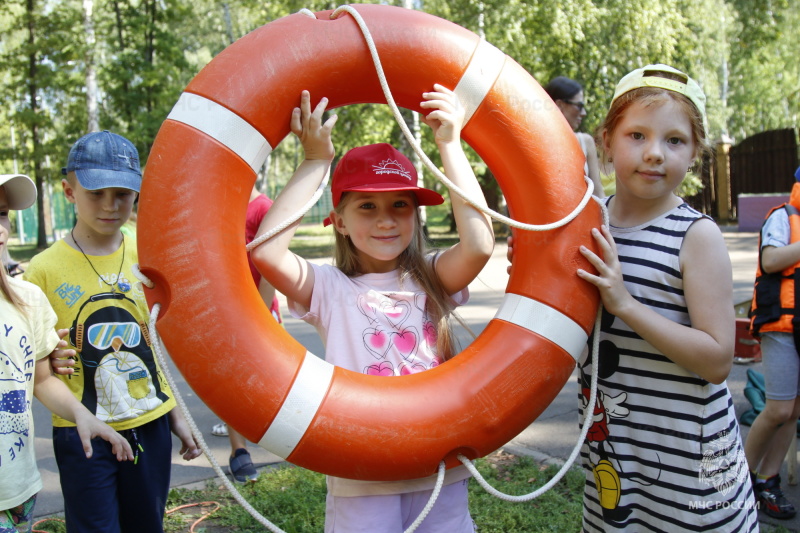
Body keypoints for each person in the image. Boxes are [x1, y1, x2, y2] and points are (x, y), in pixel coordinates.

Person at [251, 86, 493, 532]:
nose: (385, 219)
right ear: (339, 221)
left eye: (400, 205)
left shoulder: (431, 277)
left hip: (437, 464)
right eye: (367, 206)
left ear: (415, 216)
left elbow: (479, 245)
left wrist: (450, 144)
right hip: (363, 473)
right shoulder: (328, 288)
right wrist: (314, 161)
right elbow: (266, 252)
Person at [568, 65, 757, 530]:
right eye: (637, 135)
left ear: (695, 153)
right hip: (615, 460)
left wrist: (625, 303)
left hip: (691, 475)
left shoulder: (697, 236)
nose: (654, 154)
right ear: (608, 140)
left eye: (675, 141)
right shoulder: (588, 224)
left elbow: (716, 361)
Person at [24, 131, 202, 532]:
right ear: (69, 192)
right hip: (82, 434)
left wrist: (173, 412)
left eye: (122, 193)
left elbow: (150, 345)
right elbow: (38, 370)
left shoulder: (151, 253)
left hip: (150, 425)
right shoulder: (42, 271)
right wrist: (51, 357)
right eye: (96, 192)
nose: (110, 205)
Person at [0, 173, 134, 533]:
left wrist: (80, 414)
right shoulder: (45, 267)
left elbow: (41, 380)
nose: (0, 230)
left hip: (14, 491)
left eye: (1, 214)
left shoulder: (27, 299)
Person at [211, 184, 285, 483]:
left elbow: (270, 266)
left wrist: (258, 313)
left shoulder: (262, 209)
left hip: (258, 307)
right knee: (230, 377)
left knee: (262, 374)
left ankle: (258, 424)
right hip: (225, 307)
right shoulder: (219, 206)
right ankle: (238, 449)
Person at [744, 164, 800, 520]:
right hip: (780, 324)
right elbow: (771, 259)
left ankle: (768, 479)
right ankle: (741, 478)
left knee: (794, 410)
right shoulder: (782, 216)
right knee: (779, 408)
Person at [544, 76, 604, 198]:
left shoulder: (586, 142)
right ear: (559, 105)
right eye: (579, 106)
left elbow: (598, 194)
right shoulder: (533, 144)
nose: (583, 113)